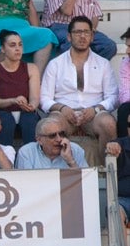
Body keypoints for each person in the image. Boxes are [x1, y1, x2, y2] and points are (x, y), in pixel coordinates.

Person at [40, 15, 117, 149]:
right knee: (50, 125)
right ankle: (56, 169)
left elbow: (113, 97)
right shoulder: (55, 64)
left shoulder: (103, 64)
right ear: (69, 37)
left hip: (94, 114)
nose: (82, 36)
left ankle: (106, 169)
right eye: (77, 32)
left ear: (92, 36)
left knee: (108, 123)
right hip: (63, 113)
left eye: (86, 32)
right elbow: (44, 99)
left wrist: (96, 109)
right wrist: (62, 108)